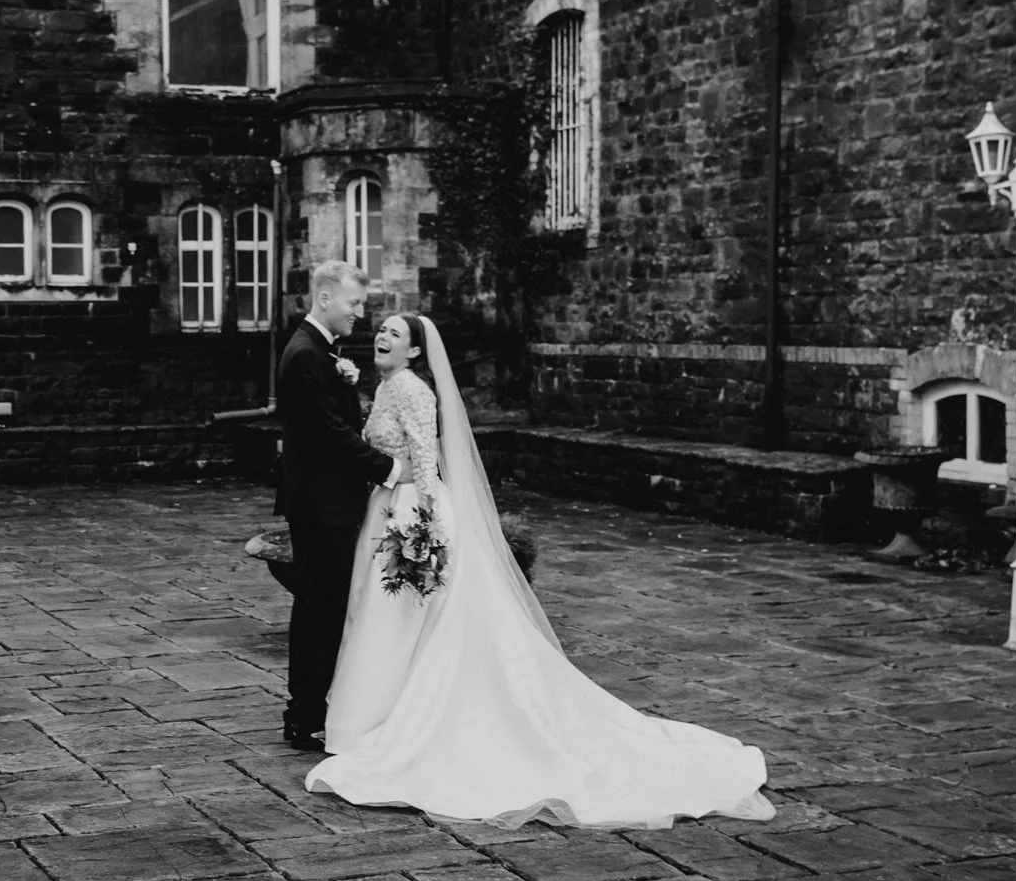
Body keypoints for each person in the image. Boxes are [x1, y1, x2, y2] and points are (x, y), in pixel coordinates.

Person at [307, 313, 774, 829]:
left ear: (416, 352)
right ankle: (368, 719)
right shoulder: (388, 385)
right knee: (383, 619)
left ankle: (385, 722)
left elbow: (426, 461)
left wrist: (424, 528)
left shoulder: (413, 391)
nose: (382, 337)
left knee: (399, 620)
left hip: (410, 513)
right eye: (382, 330)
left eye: (395, 334)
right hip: (387, 507)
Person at [275, 260, 410, 754]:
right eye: (354, 303)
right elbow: (330, 437)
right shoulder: (307, 356)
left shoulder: (317, 351)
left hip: (325, 502)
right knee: (320, 609)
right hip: (323, 506)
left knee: (324, 607)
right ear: (326, 298)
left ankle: (310, 709)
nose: (360, 313)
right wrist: (393, 470)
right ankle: (305, 715)